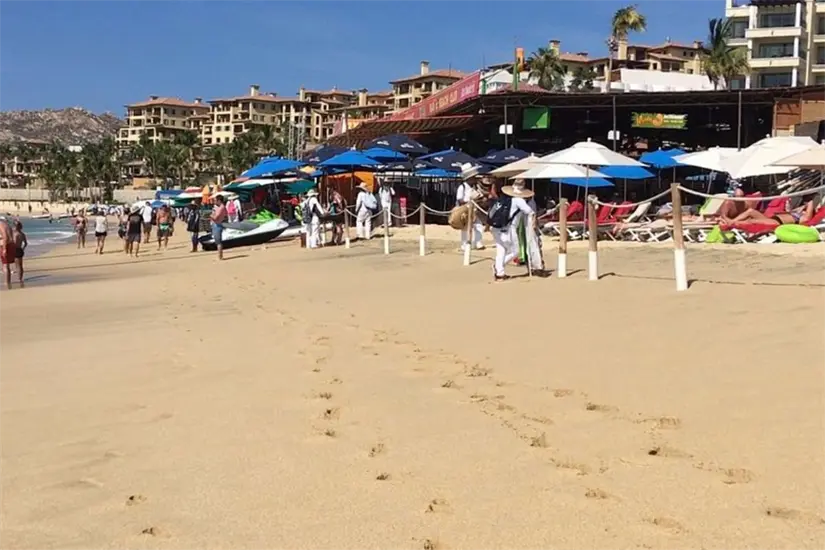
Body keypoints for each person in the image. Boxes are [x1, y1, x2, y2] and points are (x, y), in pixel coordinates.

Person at [489, 181, 535, 282]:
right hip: (509, 228)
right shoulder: (518, 200)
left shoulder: (503, 199)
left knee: (501, 250)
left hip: (496, 228)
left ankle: (500, 273)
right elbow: (529, 211)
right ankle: (498, 267)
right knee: (516, 251)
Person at [721, 196, 816, 226]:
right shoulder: (798, 213)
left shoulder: (804, 218)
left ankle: (731, 223)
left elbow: (808, 215)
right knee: (750, 211)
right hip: (772, 219)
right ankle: (732, 221)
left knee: (752, 221)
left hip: (777, 223)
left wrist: (810, 201)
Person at [456, 163, 485, 251]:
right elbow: (460, 200)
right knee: (465, 228)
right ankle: (464, 244)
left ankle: (477, 243)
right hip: (465, 209)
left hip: (474, 209)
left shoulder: (475, 187)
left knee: (478, 225)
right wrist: (470, 201)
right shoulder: (462, 187)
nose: (475, 179)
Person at [210, 195, 228, 260]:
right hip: (216, 224)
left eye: (215, 200)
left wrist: (210, 215)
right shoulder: (218, 207)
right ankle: (219, 256)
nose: (214, 201)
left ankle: (220, 256)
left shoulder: (221, 207)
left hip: (217, 225)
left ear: (219, 200)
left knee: (218, 241)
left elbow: (216, 217)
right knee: (217, 241)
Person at [0, 218, 15, 289]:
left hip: (5, 245)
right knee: (6, 265)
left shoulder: (1, 225)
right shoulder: (7, 225)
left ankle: (7, 282)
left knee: (5, 265)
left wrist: (4, 249)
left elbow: (5, 236)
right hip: (10, 244)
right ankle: (8, 281)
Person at [11, 221, 27, 287]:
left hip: (16, 250)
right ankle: (20, 278)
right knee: (20, 265)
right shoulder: (22, 234)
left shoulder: (16, 234)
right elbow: (25, 243)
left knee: (18, 265)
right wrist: (22, 249)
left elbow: (14, 243)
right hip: (20, 249)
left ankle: (19, 279)